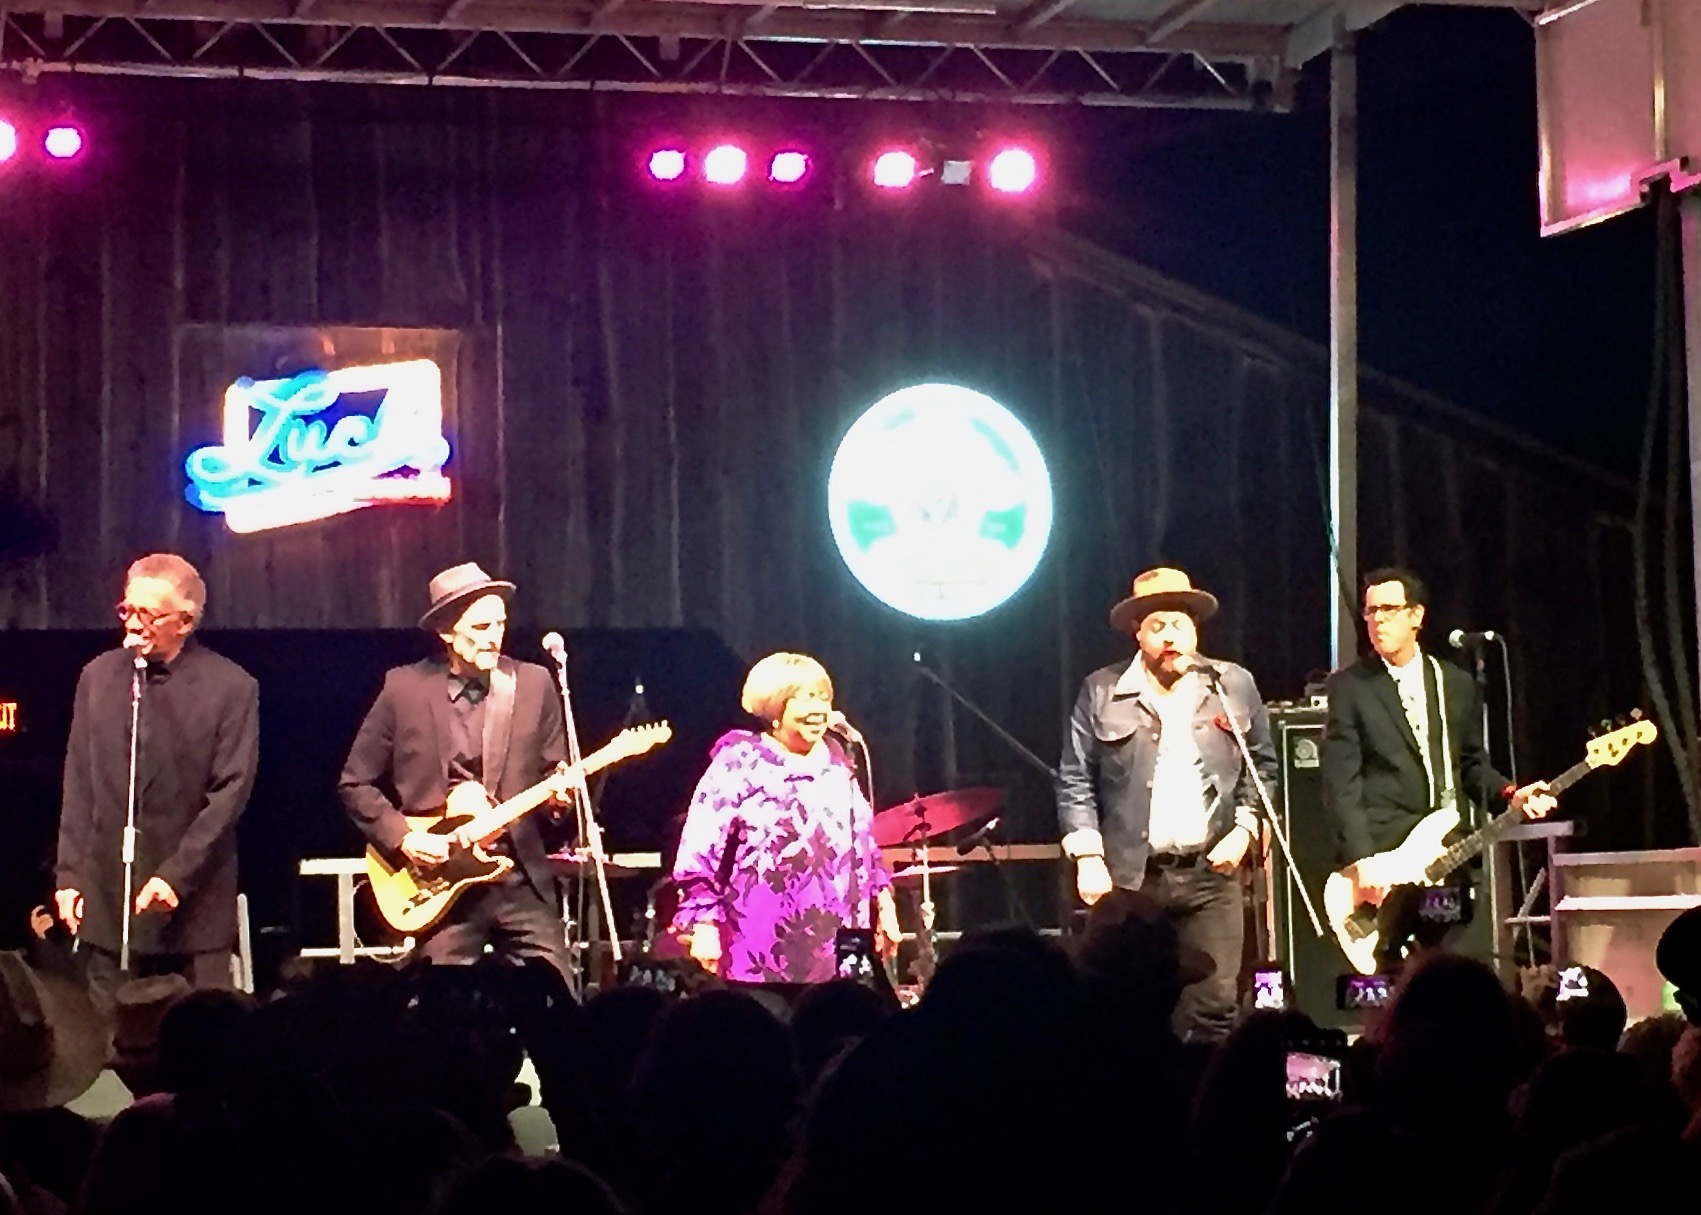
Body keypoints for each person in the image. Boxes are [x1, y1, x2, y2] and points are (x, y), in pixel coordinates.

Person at [1056, 567, 1278, 1042]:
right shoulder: (1102, 690)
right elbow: (1075, 777)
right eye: (1157, 626)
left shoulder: (1231, 684)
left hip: (1210, 875)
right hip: (1133, 880)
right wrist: (1088, 857)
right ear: (1138, 632)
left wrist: (1244, 830)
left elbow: (1262, 767)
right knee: (1124, 1009)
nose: (1170, 637)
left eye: (1179, 623)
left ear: (1195, 629)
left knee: (1214, 1006)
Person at [339, 562, 574, 982]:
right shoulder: (403, 688)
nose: (494, 636)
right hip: (438, 883)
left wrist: (560, 800)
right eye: (480, 627)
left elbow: (553, 773)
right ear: (446, 631)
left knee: (556, 992)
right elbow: (355, 783)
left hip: (517, 875)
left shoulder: (534, 683)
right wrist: (405, 838)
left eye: (500, 624)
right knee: (438, 1004)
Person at [54, 554, 259, 1015]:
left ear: (185, 622)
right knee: (109, 1036)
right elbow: (79, 781)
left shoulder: (231, 687)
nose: (133, 624)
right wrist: (68, 874)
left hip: (193, 903)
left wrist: (176, 875)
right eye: (128, 610)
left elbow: (230, 794)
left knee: (202, 1035)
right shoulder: (97, 677)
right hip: (108, 898)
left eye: (148, 614)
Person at [1321, 569, 1554, 967]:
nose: (1378, 620)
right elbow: (1341, 781)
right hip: (1387, 858)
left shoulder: (1455, 683)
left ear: (1416, 616)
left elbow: (1471, 765)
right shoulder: (1350, 687)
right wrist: (1362, 861)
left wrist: (1511, 793)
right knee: (1399, 973)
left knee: (1455, 965)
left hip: (1449, 855)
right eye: (1371, 611)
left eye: (1389, 609)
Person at [670, 652, 900, 990]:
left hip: (842, 947)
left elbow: (864, 845)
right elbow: (700, 848)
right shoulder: (740, 760)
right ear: (775, 707)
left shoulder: (838, 761)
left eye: (823, 698)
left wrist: (885, 905)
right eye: (806, 698)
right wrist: (704, 921)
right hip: (760, 947)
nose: (819, 709)